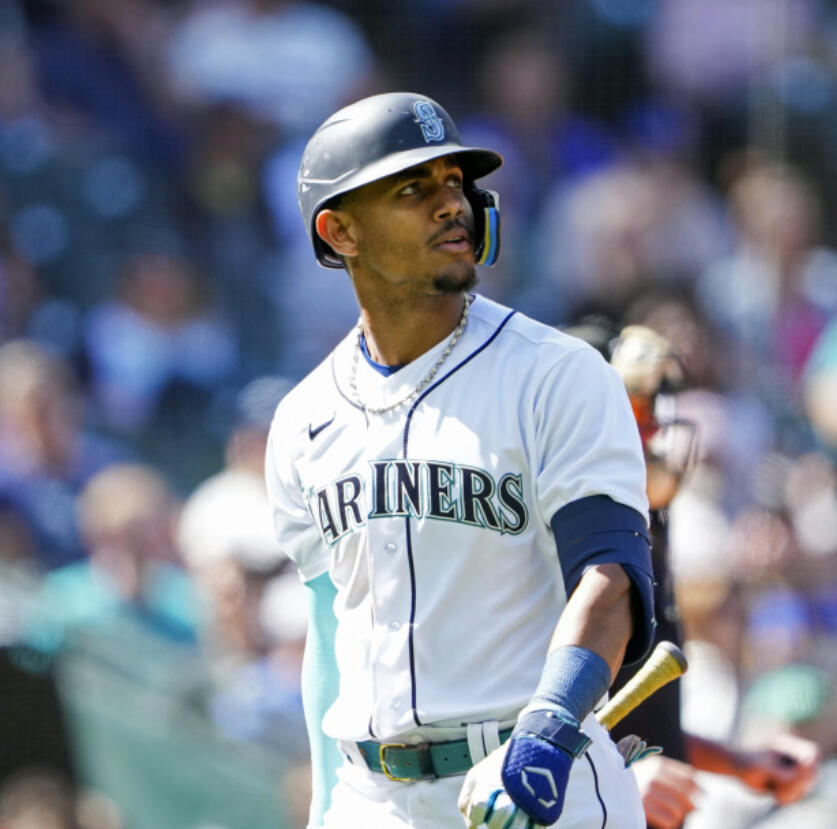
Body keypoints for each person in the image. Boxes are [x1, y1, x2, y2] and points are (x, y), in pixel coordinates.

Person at [265, 92, 654, 829]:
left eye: (455, 184)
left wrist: (548, 727)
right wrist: (323, 805)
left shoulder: (556, 372)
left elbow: (611, 581)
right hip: (369, 795)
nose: (451, 205)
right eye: (414, 189)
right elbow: (330, 627)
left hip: (538, 776)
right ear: (339, 229)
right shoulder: (302, 421)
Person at [599, 324, 821, 828]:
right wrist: (611, 780)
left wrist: (737, 761)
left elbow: (638, 728)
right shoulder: (546, 545)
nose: (654, 432)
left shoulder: (645, 522)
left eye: (653, 412)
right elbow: (501, 723)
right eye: (636, 413)